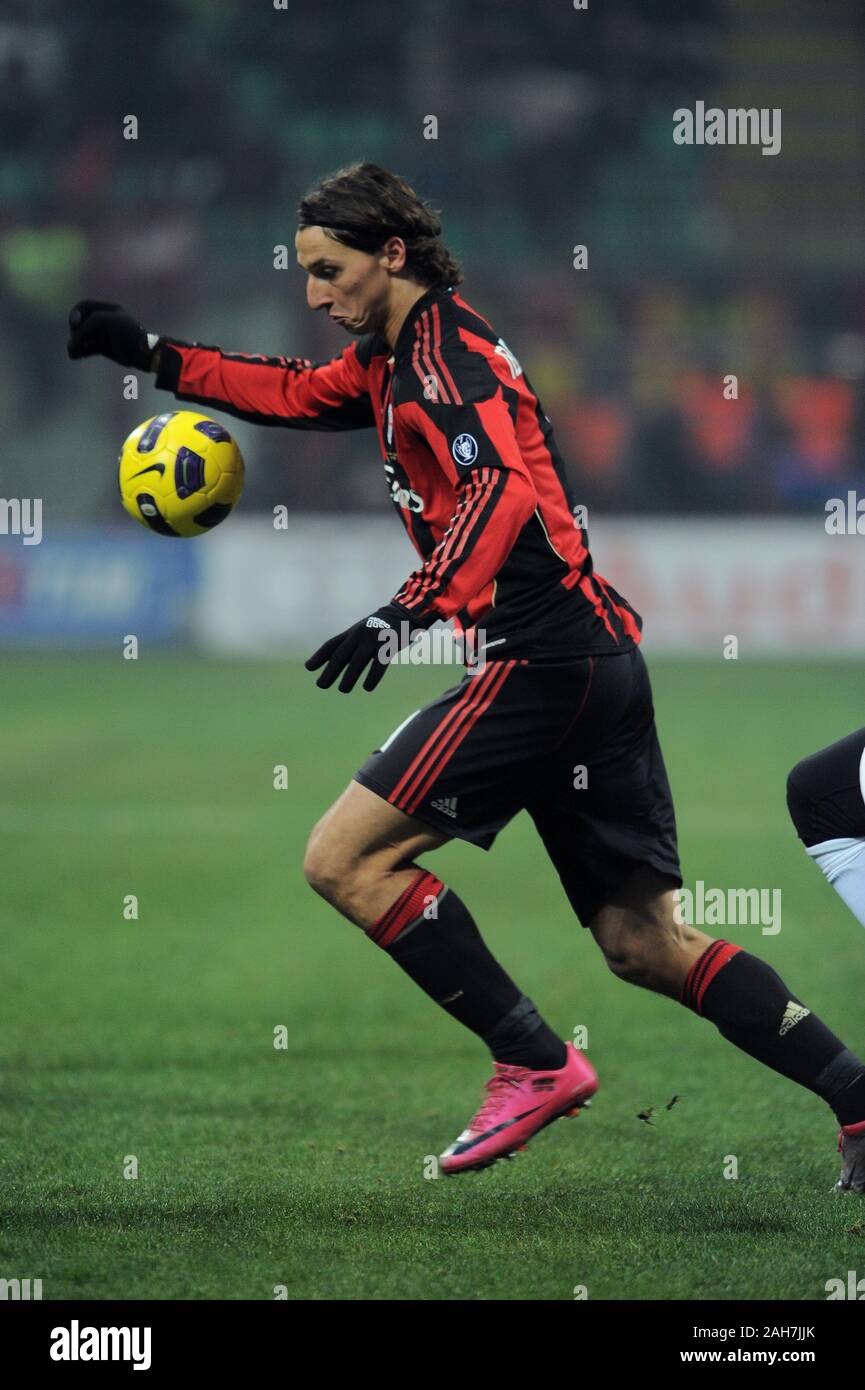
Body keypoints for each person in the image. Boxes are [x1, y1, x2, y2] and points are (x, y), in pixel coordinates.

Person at [69, 161, 865, 1188]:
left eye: (328, 268)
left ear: (390, 253)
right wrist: (151, 353)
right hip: (596, 663)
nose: (315, 293)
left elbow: (499, 495)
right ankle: (855, 1097)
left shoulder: (445, 353)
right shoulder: (396, 356)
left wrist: (409, 609)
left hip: (539, 660)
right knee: (642, 941)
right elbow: (294, 392)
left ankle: (533, 1059)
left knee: (343, 861)